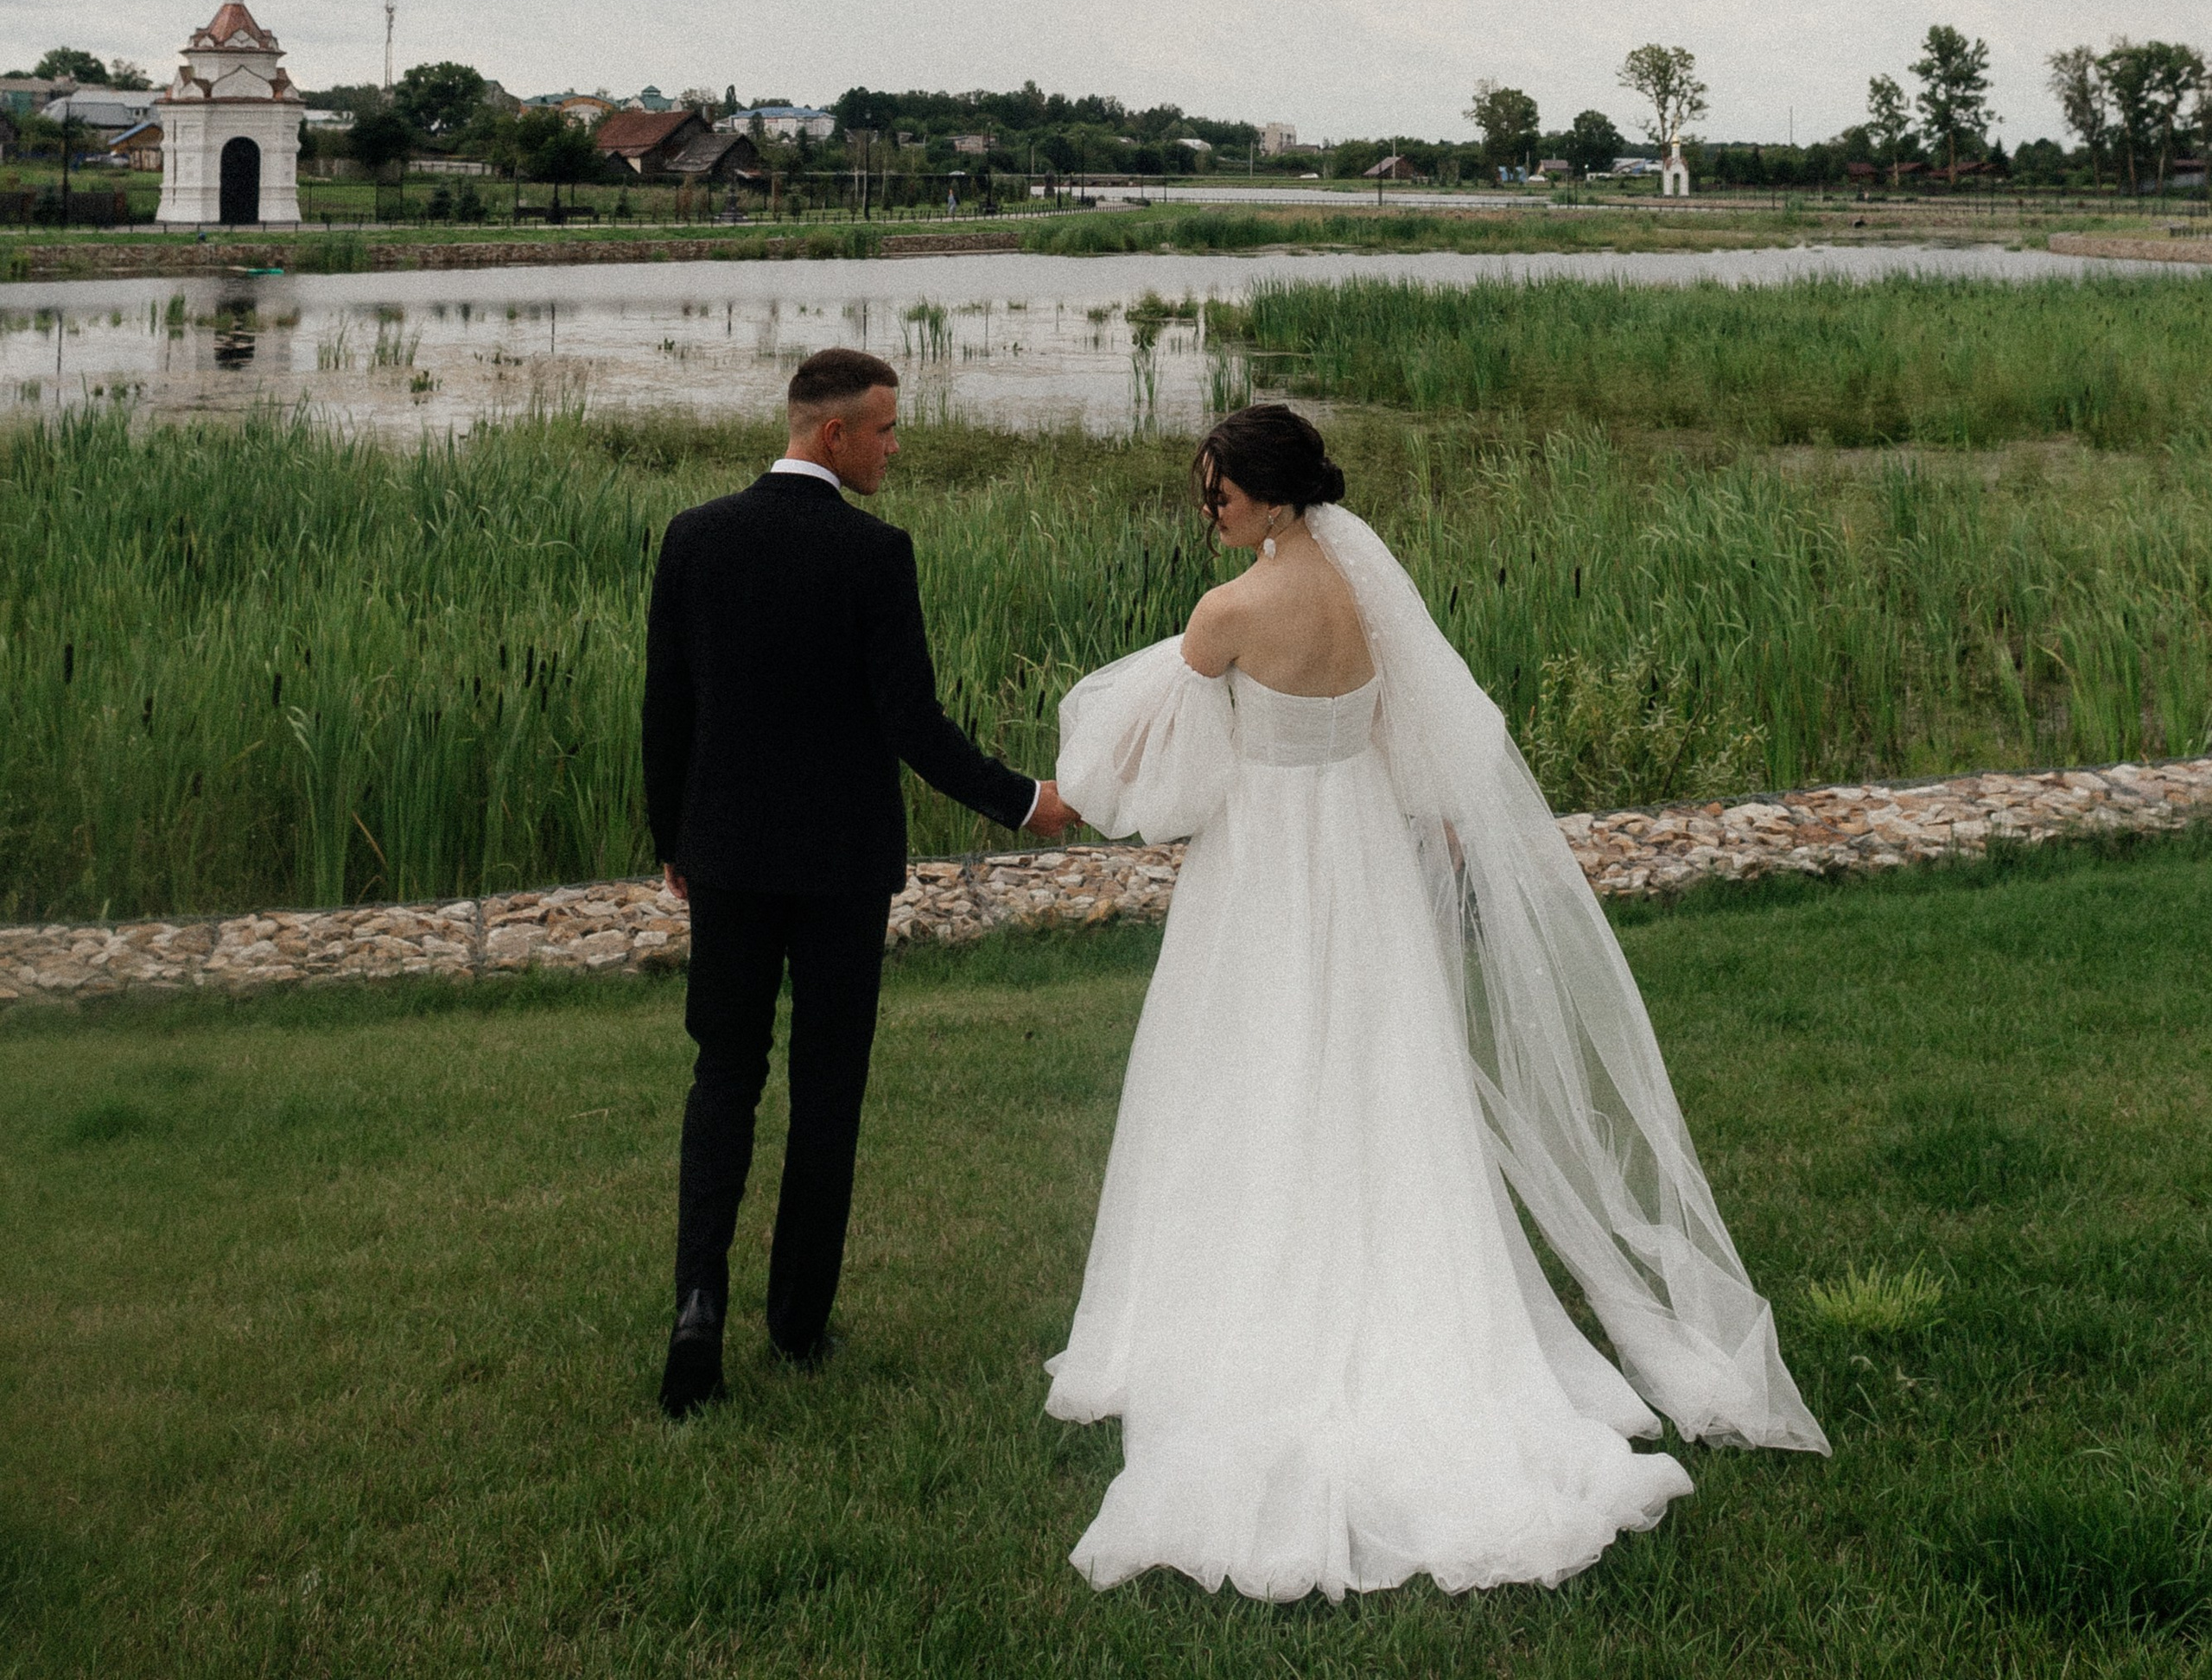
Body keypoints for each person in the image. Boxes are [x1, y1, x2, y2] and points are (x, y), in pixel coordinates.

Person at [1047, 402, 1827, 1601]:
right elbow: (1418, 737)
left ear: (1262, 495)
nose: (1205, 508)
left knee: (1250, 1064)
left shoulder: (1230, 613)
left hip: (1266, 862)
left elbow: (1143, 754)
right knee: (1376, 1063)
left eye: (1216, 491)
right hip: (1359, 853)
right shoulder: (1364, 591)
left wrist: (1079, 783)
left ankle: (1244, 1299)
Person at [643, 346, 1075, 1416]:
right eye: (884, 430)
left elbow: (666, 710)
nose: (895, 448)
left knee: (724, 1076)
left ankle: (698, 1301)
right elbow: (910, 725)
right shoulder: (874, 554)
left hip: (729, 858)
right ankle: (796, 1322)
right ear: (831, 434)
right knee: (826, 1089)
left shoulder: (695, 537)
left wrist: (674, 842)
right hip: (839, 868)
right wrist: (1023, 801)